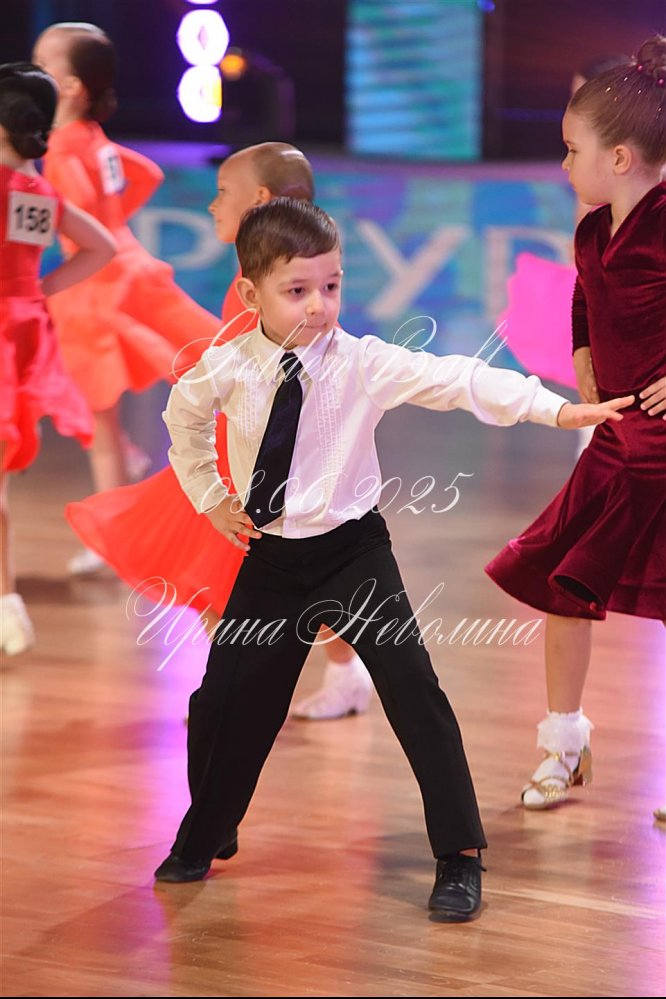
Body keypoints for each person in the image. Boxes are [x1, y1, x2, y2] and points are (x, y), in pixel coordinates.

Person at [153, 196, 634, 919]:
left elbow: (459, 379)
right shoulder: (226, 366)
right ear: (251, 294)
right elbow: (184, 421)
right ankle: (208, 828)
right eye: (298, 290)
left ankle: (460, 854)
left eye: (332, 285)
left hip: (353, 554)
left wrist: (555, 409)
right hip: (271, 558)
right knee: (223, 700)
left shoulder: (363, 362)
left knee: (414, 689)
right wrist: (211, 496)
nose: (320, 305)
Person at [64, 141, 373, 718]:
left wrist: (152, 321)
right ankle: (275, 685)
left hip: (262, 456)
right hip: (244, 448)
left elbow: (236, 363)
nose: (212, 205)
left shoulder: (285, 280)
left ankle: (266, 689)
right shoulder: (266, 275)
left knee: (229, 572)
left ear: (259, 198)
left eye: (223, 192)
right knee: (223, 572)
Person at [486, 36, 666, 818]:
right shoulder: (593, 231)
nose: (563, 166)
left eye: (571, 151)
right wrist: (584, 353)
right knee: (567, 584)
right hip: (616, 442)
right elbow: (585, 297)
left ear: (619, 158)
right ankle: (564, 740)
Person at [31, 22, 221, 575]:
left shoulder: (62, 147)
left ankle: (107, 537)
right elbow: (146, 174)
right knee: (97, 407)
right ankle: (124, 481)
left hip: (96, 288)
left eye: (41, 65)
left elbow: (74, 201)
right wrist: (110, 225)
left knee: (98, 420)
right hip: (127, 267)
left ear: (70, 86)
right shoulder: (92, 136)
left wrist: (62, 225)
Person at [0, 62, 116, 656]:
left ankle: (7, 604)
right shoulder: (39, 191)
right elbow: (103, 246)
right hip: (22, 330)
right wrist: (36, 291)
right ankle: (6, 604)